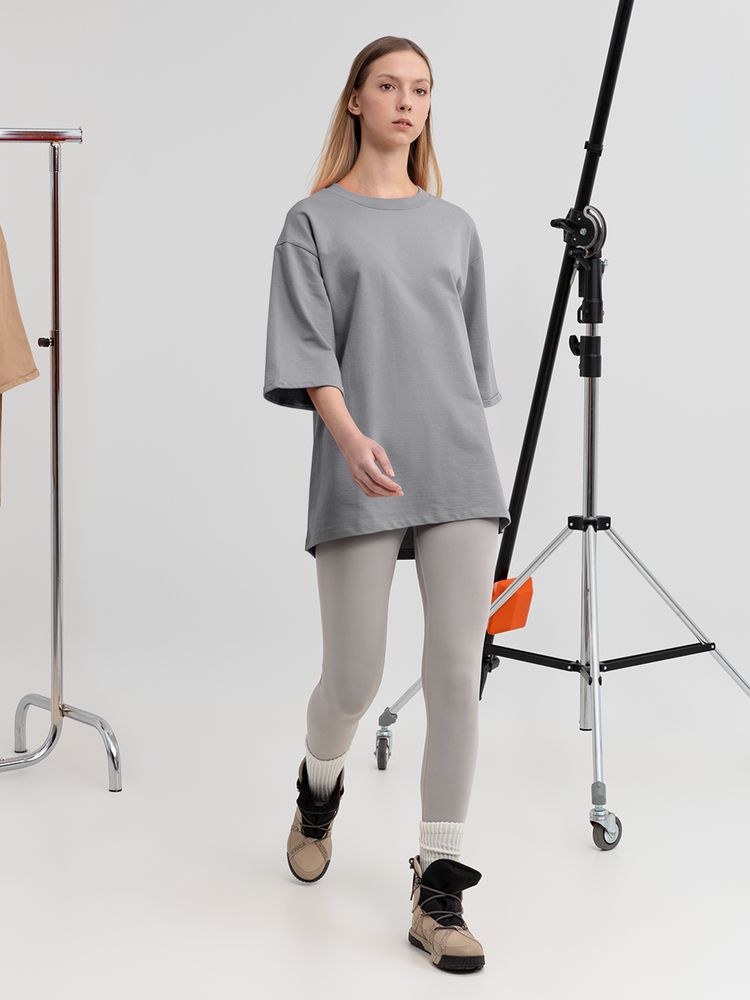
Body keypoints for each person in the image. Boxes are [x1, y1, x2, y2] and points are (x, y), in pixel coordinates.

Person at [262, 34, 511, 974]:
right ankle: (318, 787)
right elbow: (308, 351)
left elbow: (468, 368)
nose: (407, 102)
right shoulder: (312, 222)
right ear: (356, 100)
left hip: (457, 468)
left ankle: (437, 887)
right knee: (354, 680)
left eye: (422, 89)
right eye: (389, 86)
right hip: (357, 461)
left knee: (455, 674)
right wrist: (348, 434)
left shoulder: (455, 227)